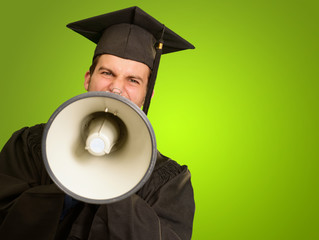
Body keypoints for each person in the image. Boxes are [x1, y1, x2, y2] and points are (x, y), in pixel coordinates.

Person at [0, 6, 195, 240]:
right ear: (88, 78)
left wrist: (115, 188)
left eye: (133, 80)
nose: (116, 88)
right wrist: (66, 190)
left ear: (148, 94)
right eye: (107, 73)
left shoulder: (169, 181)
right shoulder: (30, 146)